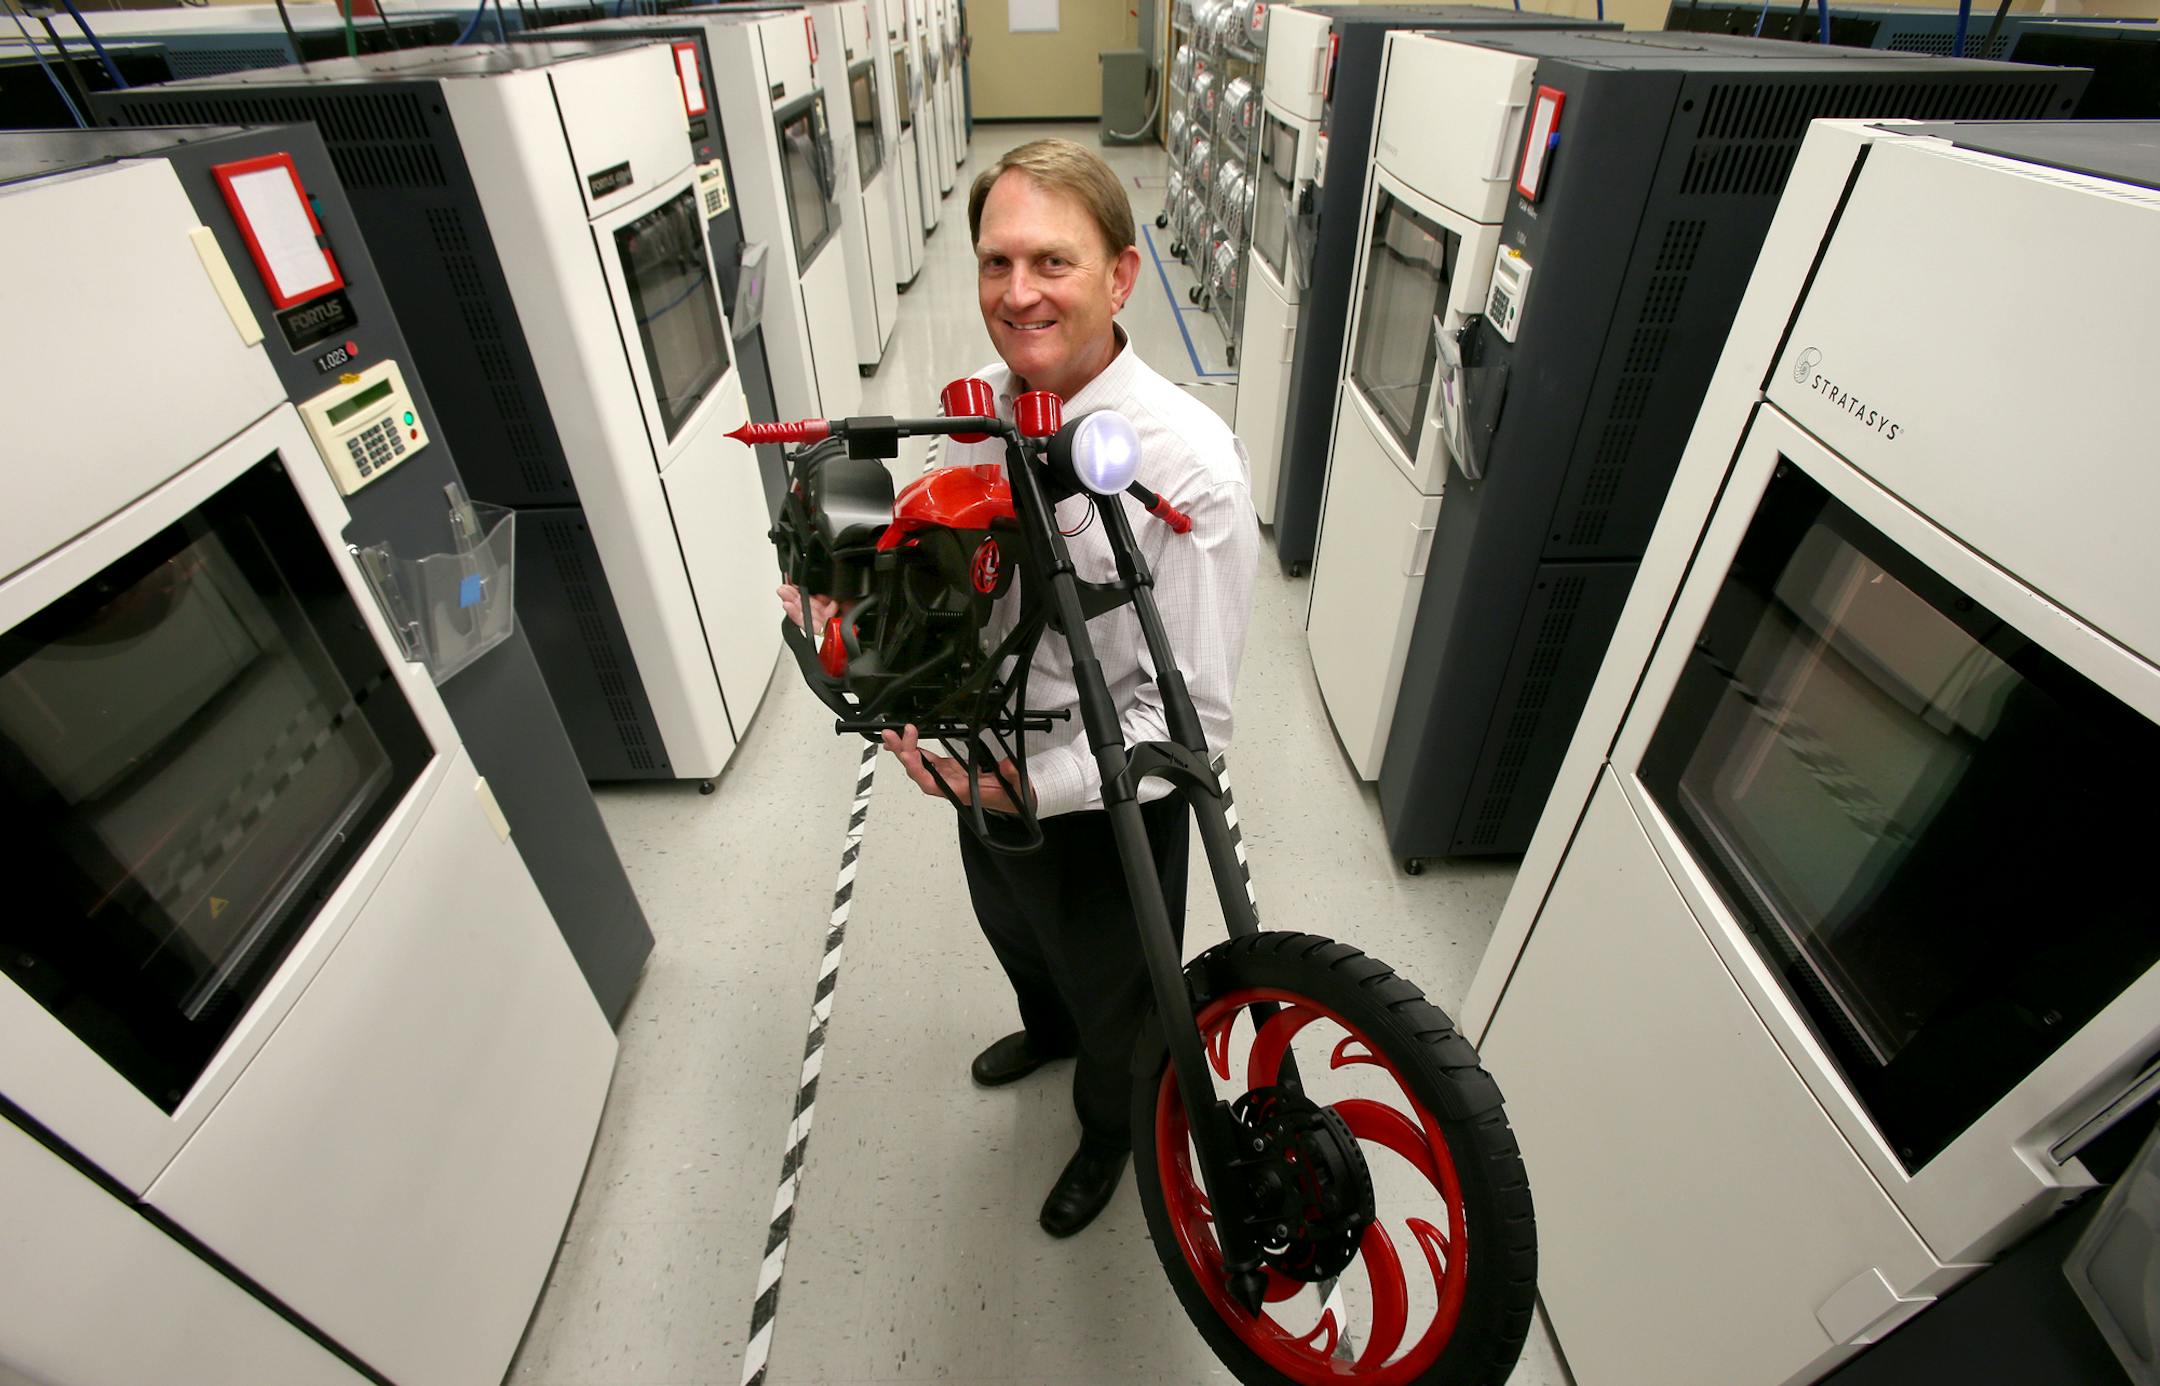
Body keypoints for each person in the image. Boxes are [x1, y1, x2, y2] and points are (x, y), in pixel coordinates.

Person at [782, 138, 1258, 1238]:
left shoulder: (1187, 466)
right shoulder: (985, 407)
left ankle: (1110, 1129)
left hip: (1104, 806)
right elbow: (954, 566)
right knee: (1013, 931)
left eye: (1053, 261)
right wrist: (853, 607)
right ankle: (1044, 1027)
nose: (1017, 293)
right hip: (983, 754)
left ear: (1121, 275)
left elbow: (1190, 725)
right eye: (997, 264)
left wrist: (1028, 791)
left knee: (1125, 1002)